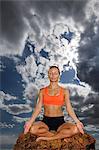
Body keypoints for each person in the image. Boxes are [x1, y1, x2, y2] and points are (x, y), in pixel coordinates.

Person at [24, 65, 84, 142]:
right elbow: (38, 107)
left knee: (75, 129)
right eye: (51, 73)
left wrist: (77, 122)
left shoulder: (65, 91)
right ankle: (61, 137)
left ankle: (47, 138)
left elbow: (69, 108)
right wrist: (30, 122)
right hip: (46, 121)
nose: (53, 75)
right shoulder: (42, 91)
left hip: (60, 121)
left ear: (59, 75)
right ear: (48, 75)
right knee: (32, 129)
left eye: (55, 73)